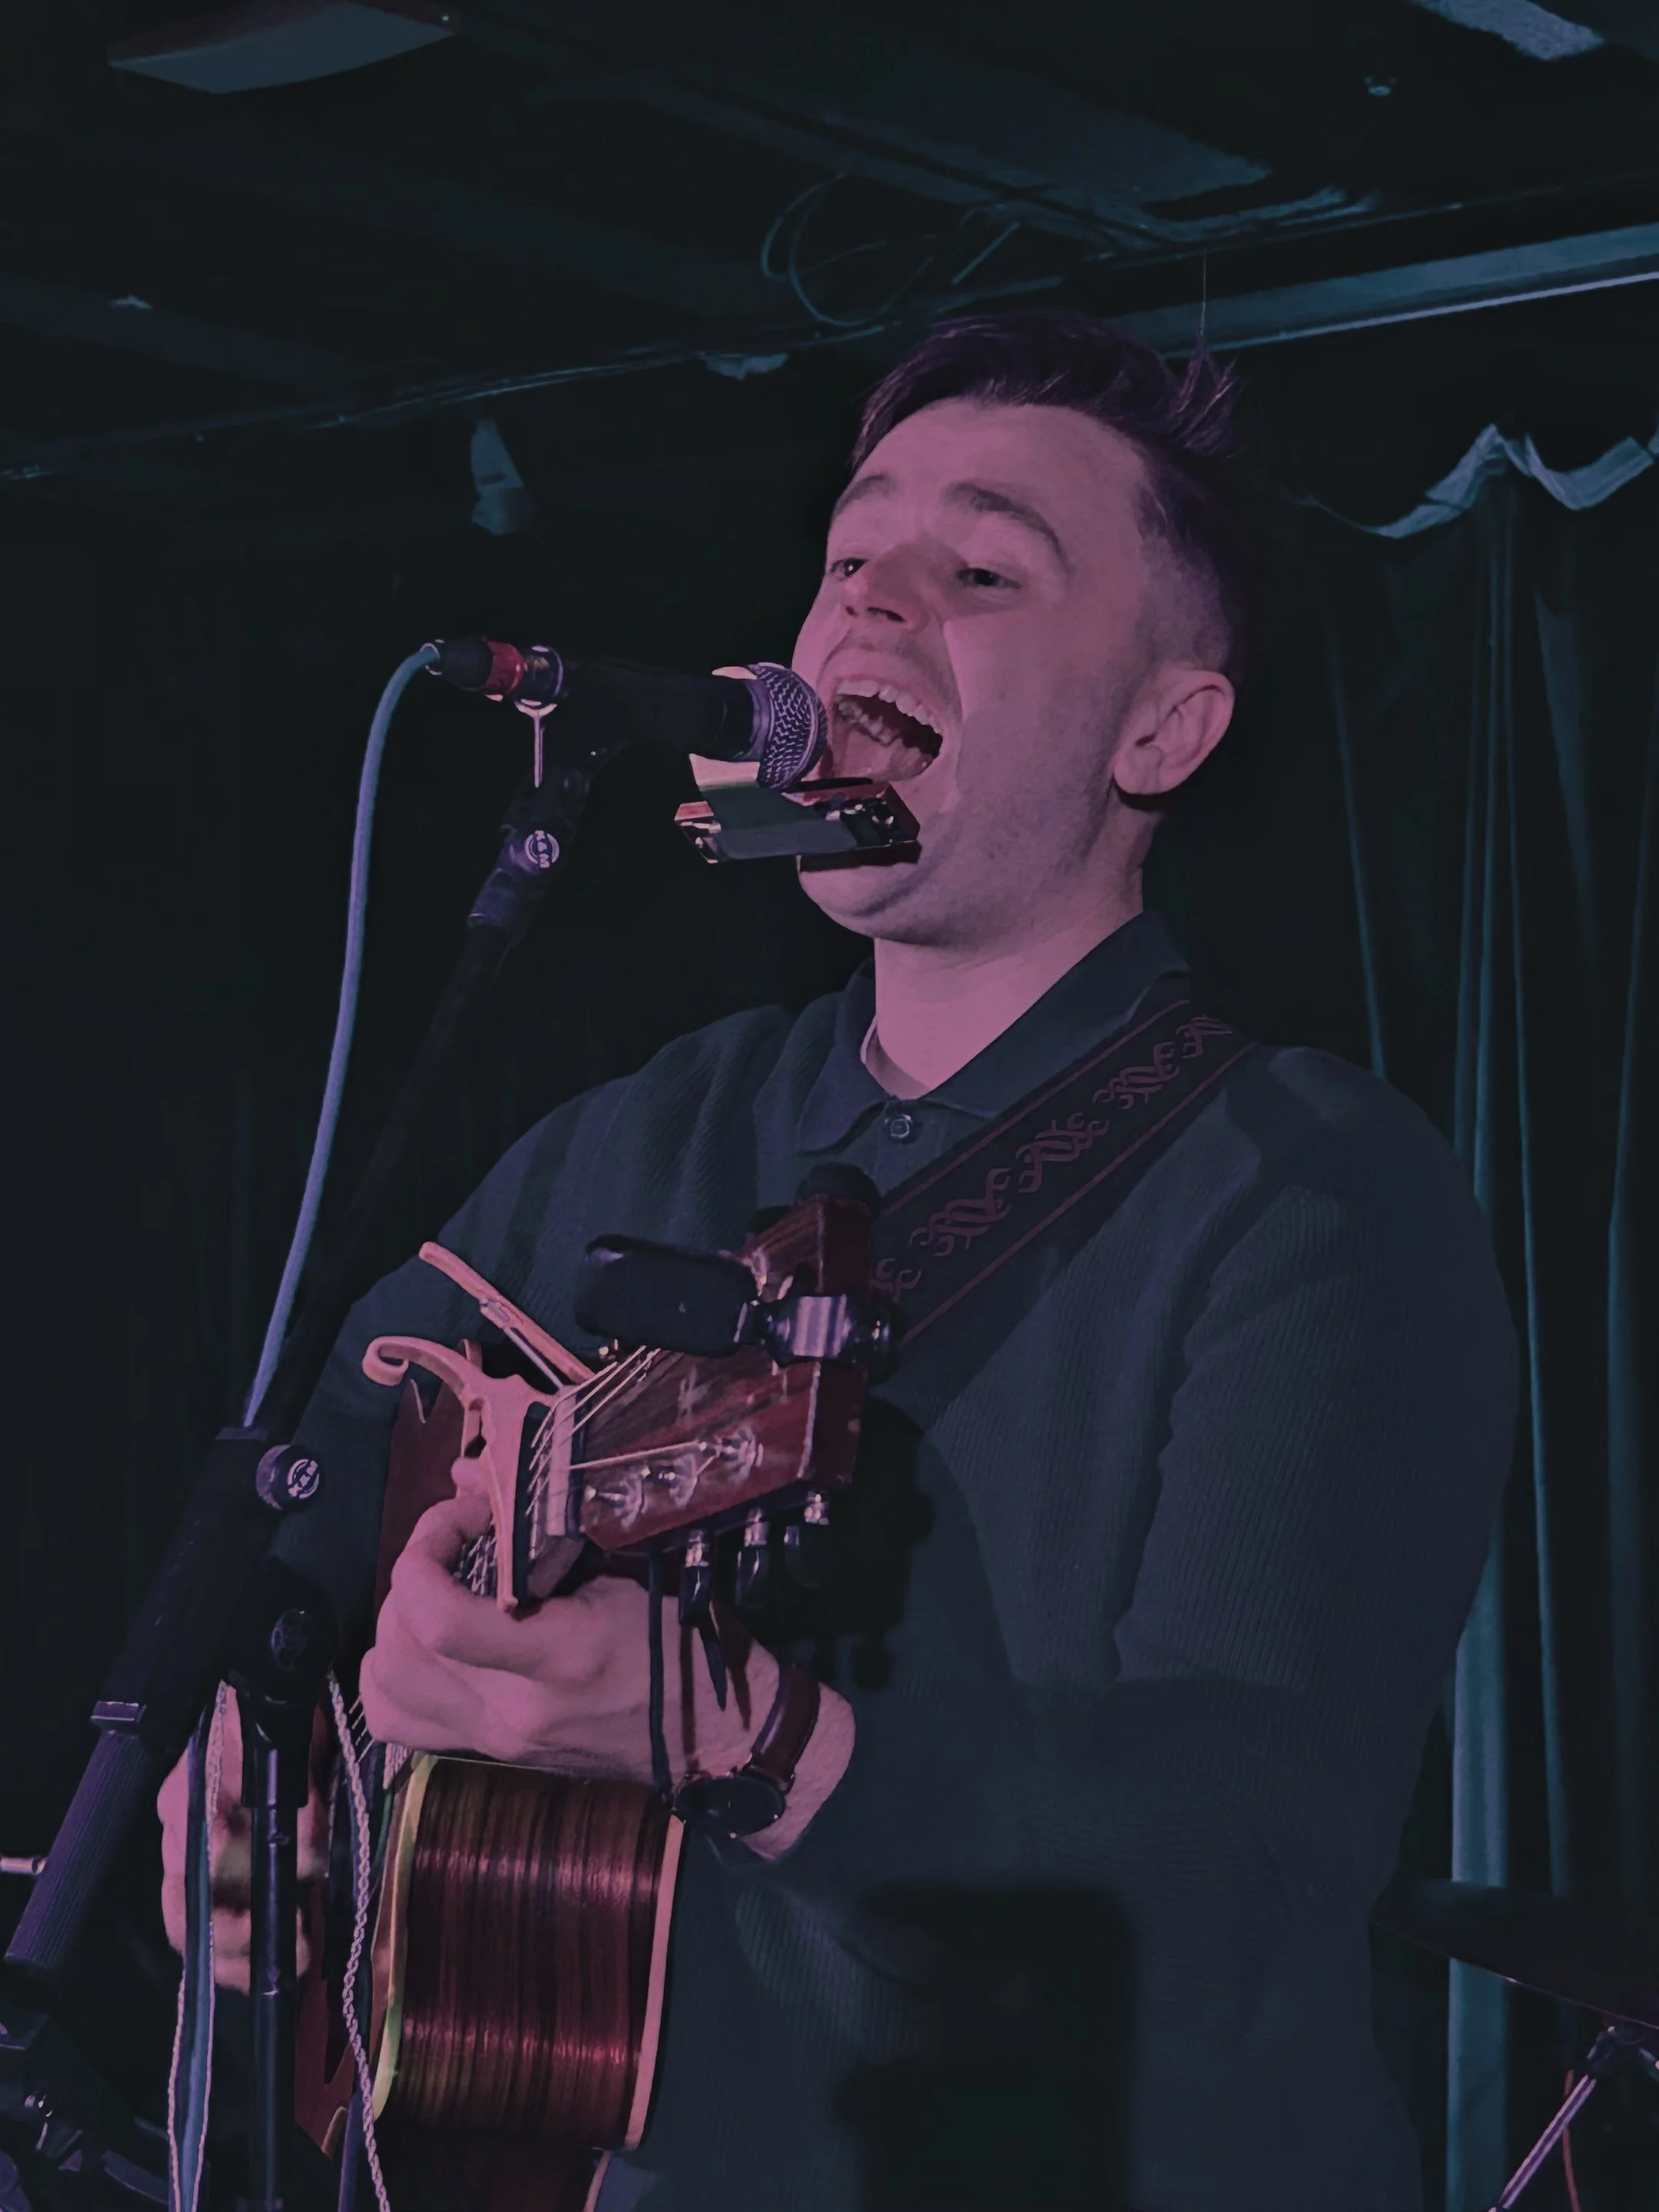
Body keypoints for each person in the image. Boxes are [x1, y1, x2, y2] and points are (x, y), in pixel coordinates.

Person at [159, 310, 1517, 2210]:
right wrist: (254, 1764)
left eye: (978, 569)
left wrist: (739, 1733)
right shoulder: (657, 1128)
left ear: (1163, 725)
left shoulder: (1314, 1196)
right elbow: (329, 1473)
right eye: (848, 555)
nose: (867, 603)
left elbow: (1239, 1880)